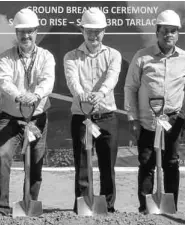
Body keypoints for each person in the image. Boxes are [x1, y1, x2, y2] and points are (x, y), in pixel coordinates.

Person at [124, 9, 185, 214]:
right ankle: (145, 209)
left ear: (178, 34)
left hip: (173, 120)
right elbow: (130, 88)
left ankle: (170, 207)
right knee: (146, 163)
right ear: (157, 32)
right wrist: (133, 118)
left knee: (171, 163)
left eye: (173, 31)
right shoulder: (142, 57)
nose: (169, 35)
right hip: (147, 121)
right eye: (165, 30)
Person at [0, 8, 55, 216]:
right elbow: (3, 81)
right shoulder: (6, 58)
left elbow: (48, 81)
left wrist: (35, 96)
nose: (26, 35)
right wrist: (19, 96)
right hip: (10, 119)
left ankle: (30, 202)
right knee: (2, 156)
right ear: (16, 33)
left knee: (35, 163)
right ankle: (0, 207)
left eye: (30, 31)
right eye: (21, 31)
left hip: (37, 119)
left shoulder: (46, 57)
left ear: (36, 31)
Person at [64, 7, 122, 213]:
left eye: (97, 30)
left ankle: (107, 206)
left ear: (104, 31)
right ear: (82, 30)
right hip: (82, 117)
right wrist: (83, 96)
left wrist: (101, 93)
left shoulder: (114, 55)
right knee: (82, 164)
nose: (93, 34)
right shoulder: (71, 56)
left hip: (107, 117)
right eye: (89, 30)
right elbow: (72, 80)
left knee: (108, 165)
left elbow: (112, 77)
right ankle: (83, 204)